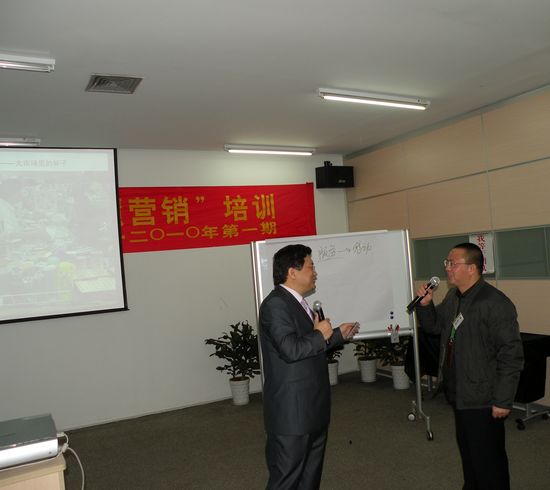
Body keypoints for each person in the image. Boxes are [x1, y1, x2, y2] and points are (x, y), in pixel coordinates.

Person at [415, 242, 524, 490]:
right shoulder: (454, 297)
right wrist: (425, 305)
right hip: (460, 391)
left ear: (472, 268)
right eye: (447, 263)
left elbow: (511, 354)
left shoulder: (495, 303)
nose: (447, 268)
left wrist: (503, 400)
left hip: (483, 396)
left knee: (489, 460)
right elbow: (434, 327)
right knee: (470, 454)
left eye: (452, 263)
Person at [259, 244, 359, 490]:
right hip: (292, 414)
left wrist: (337, 335)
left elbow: (307, 346)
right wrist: (319, 334)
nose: (315, 272)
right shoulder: (275, 305)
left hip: (312, 408)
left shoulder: (298, 302)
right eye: (310, 266)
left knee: (309, 478)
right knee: (286, 479)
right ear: (292, 272)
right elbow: (290, 350)